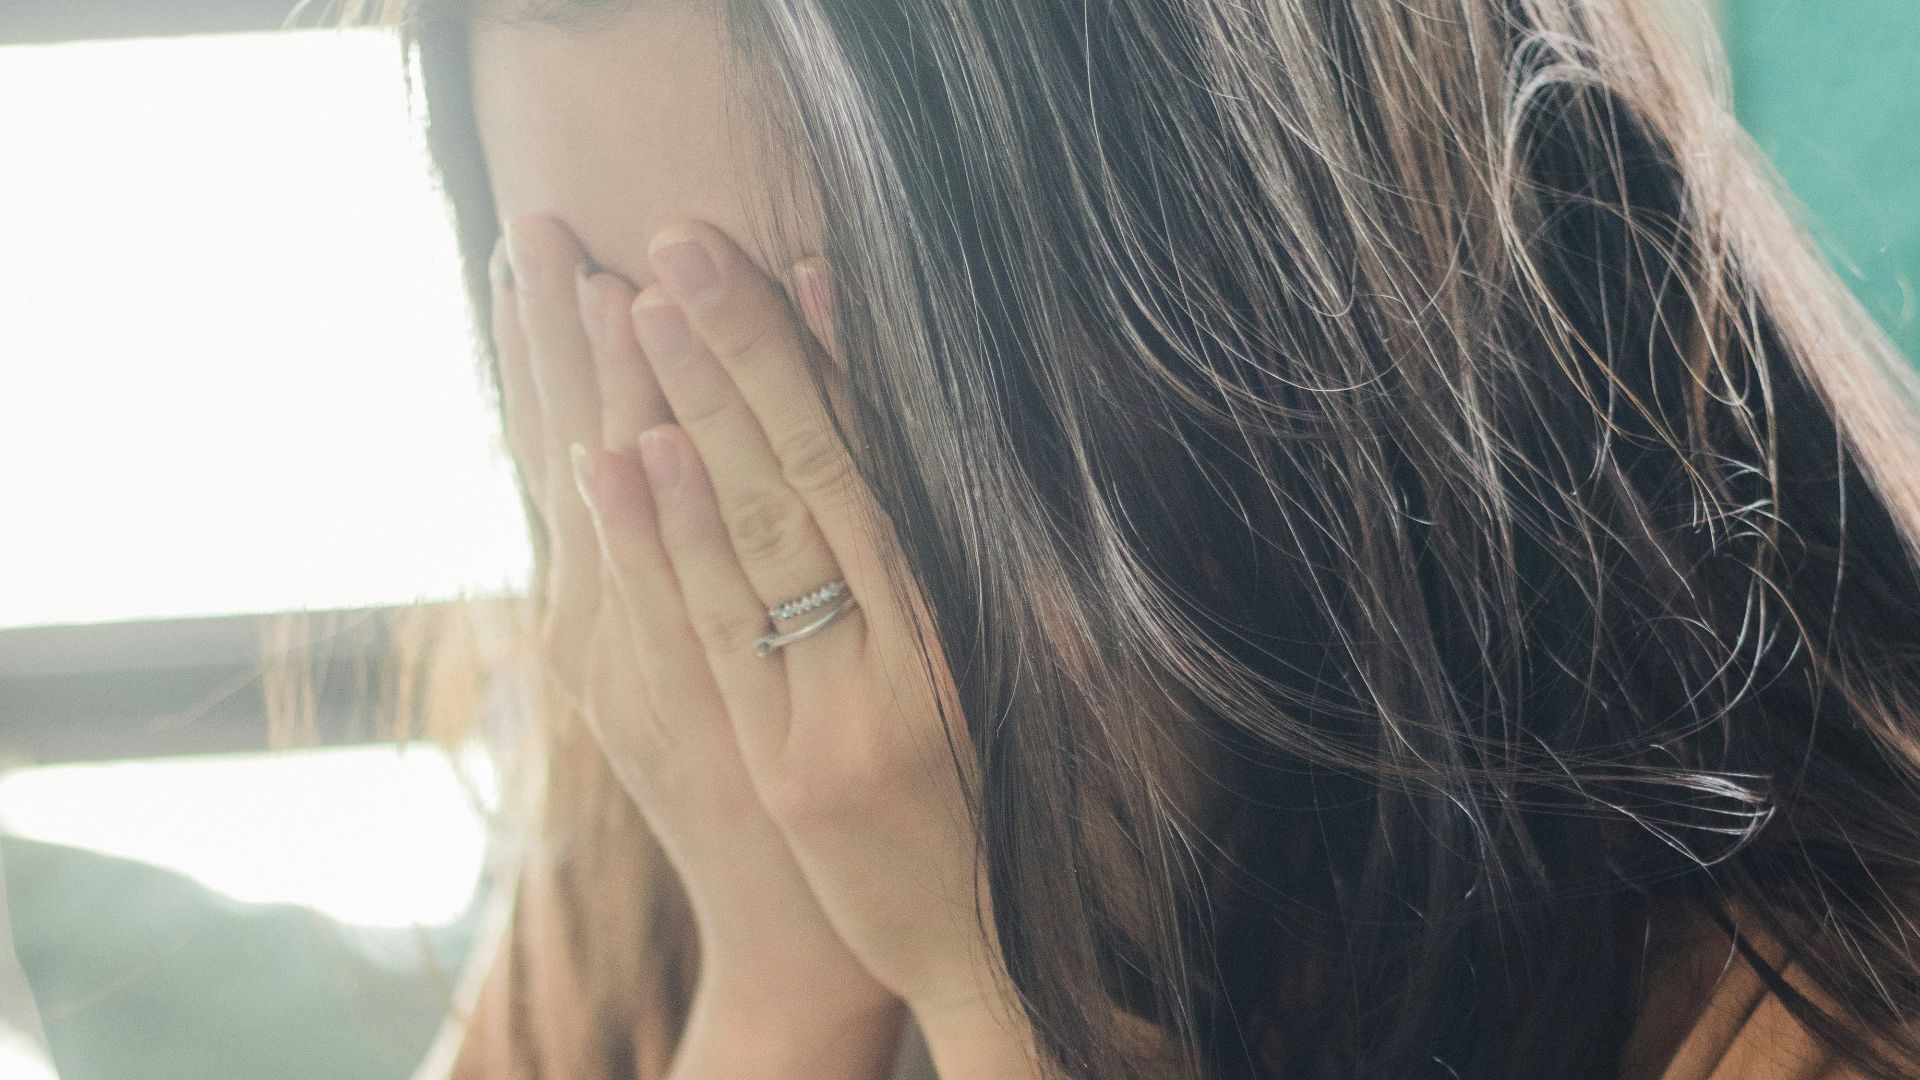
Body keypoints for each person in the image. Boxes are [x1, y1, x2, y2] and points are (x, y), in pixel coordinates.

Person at [304, 0, 1920, 1077]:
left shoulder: (1793, 987)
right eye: (603, 344)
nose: (726, 518)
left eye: (804, 369)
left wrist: (1005, 984)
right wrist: (782, 987)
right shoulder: (656, 839)